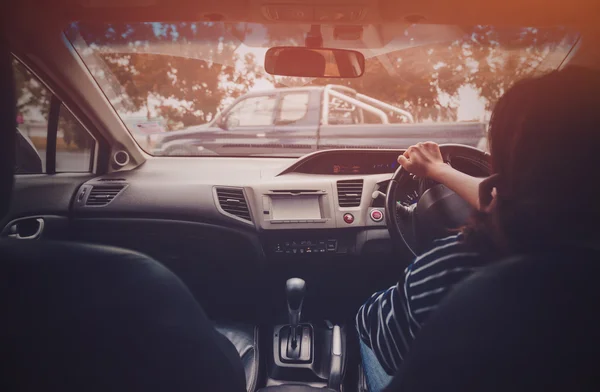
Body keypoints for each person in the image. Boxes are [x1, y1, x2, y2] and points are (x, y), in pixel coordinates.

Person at [356, 66, 600, 392]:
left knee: (366, 322)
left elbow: (388, 341)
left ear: (501, 174)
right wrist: (439, 170)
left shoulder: (454, 273)